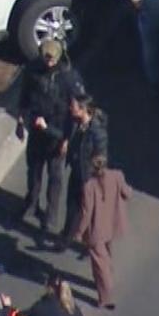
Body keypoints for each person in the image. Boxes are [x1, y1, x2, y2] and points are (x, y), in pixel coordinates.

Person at [16, 38, 85, 236]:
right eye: (46, 58)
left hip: (58, 133)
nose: (49, 62)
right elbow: (24, 95)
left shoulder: (69, 78)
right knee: (34, 171)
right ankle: (31, 204)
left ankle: (51, 214)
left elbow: (78, 111)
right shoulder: (33, 70)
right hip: (37, 132)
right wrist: (20, 121)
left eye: (52, 59)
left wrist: (67, 140)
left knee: (55, 177)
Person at [73, 155, 132, 309]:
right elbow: (127, 194)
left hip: (96, 231)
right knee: (107, 255)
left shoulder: (89, 187)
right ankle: (108, 280)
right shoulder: (117, 176)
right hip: (112, 225)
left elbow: (86, 213)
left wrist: (79, 232)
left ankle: (105, 297)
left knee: (100, 265)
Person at [59, 93, 109, 251]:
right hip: (76, 172)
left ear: (82, 110)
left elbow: (100, 159)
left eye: (73, 106)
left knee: (91, 213)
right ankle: (65, 238)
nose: (70, 108)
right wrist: (66, 142)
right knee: (72, 207)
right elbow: (70, 134)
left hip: (88, 178)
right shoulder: (76, 123)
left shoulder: (97, 133)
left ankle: (96, 244)